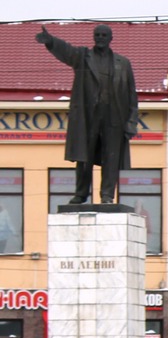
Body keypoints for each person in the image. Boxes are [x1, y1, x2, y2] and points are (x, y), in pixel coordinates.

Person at [34, 25, 138, 205]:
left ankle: (107, 195)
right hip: (88, 116)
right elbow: (67, 51)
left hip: (114, 117)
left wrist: (131, 122)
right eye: (97, 34)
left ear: (111, 38)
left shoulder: (123, 63)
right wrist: (51, 41)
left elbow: (131, 96)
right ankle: (81, 194)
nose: (100, 37)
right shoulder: (83, 57)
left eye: (104, 35)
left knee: (111, 158)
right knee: (84, 157)